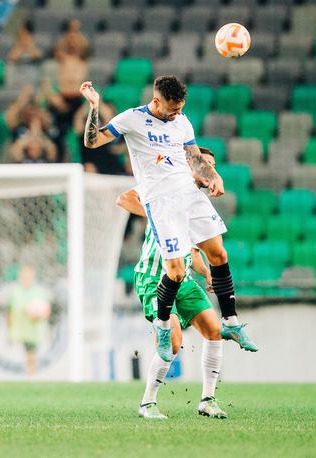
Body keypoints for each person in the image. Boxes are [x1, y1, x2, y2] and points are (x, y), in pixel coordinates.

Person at [80, 76, 257, 365]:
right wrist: (94, 106)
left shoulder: (182, 121)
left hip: (189, 194)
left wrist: (214, 177)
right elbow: (93, 141)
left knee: (219, 253)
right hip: (160, 200)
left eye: (180, 109)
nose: (176, 114)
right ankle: (163, 326)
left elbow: (195, 158)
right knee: (175, 271)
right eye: (172, 109)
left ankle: (231, 320)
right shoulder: (132, 119)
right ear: (156, 100)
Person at [117, 148, 231, 419]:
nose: (211, 171)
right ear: (191, 165)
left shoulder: (198, 206)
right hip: (153, 277)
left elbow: (192, 252)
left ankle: (207, 400)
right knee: (174, 342)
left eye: (213, 167)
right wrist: (158, 211)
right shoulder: (164, 186)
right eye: (206, 165)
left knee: (215, 331)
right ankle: (148, 402)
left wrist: (206, 273)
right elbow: (123, 198)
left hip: (184, 279)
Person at [6, 265, 51, 376]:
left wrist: (38, 315)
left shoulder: (38, 292)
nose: (26, 279)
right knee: (20, 354)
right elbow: (10, 311)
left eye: (28, 277)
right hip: (18, 330)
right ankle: (24, 376)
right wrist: (9, 326)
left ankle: (31, 375)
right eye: (23, 277)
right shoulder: (15, 292)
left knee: (30, 354)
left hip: (32, 330)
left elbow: (46, 311)